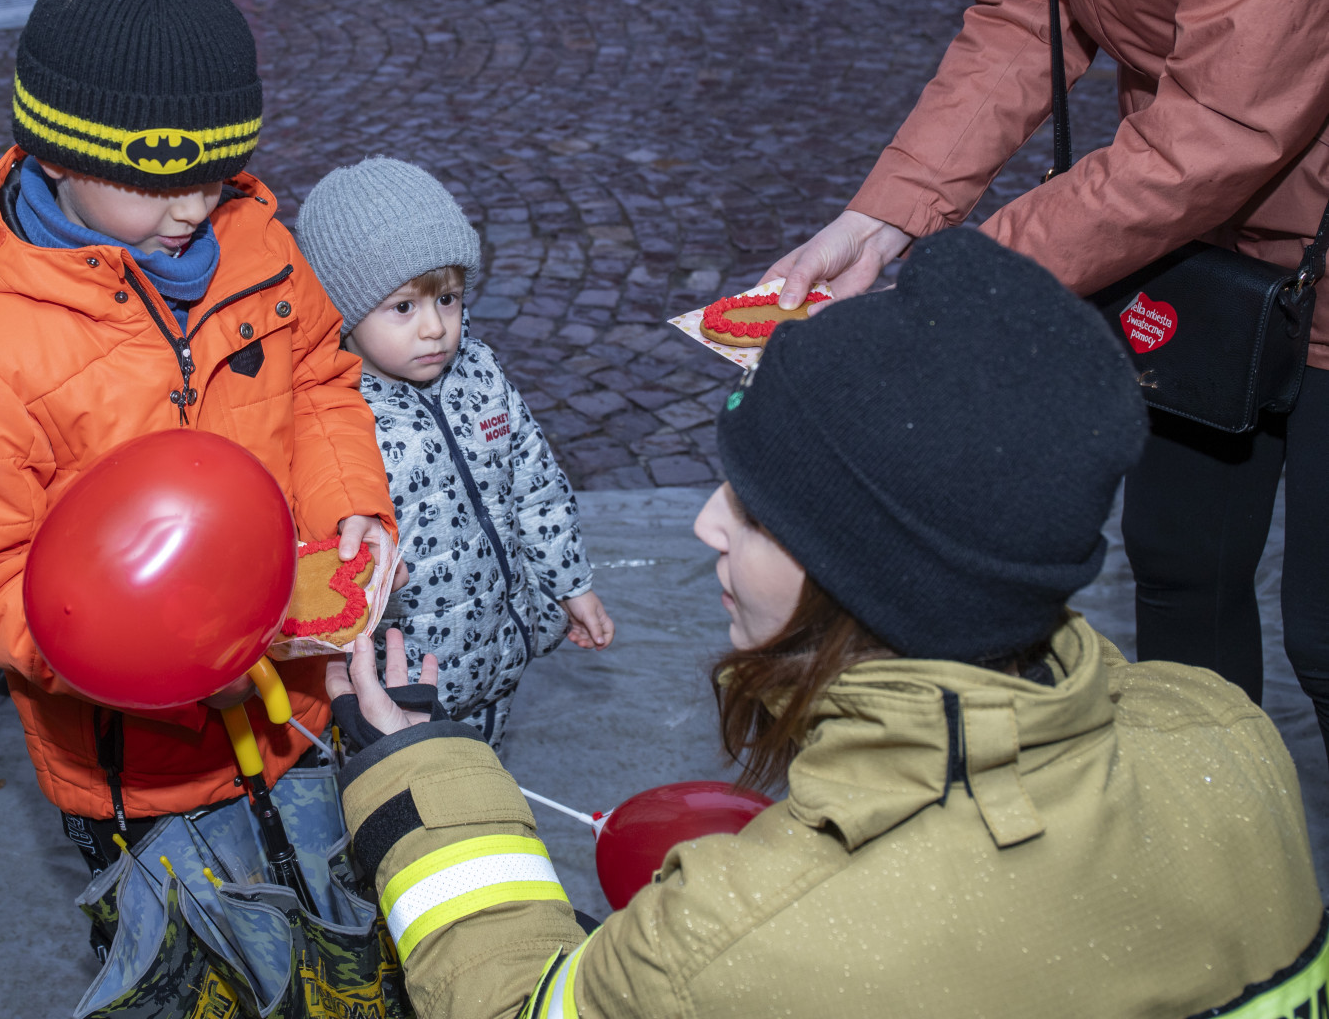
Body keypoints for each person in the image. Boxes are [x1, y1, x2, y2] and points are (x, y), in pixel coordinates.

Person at [324, 229, 1325, 1017]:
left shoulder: (734, 942)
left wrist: (422, 773)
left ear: (862, 575)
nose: (705, 524)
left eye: (756, 513)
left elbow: (519, 1006)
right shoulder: (1225, 738)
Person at [760, 0, 1329, 761]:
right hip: (1191, 246)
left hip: (1242, 215)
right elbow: (1026, 12)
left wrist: (976, 276)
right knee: (1178, 567)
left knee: (1321, 632)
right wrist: (885, 217)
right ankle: (1204, 820)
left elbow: (1217, 127)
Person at [0, 0, 394, 886]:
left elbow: (319, 384)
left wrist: (349, 511)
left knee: (319, 896)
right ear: (60, 154)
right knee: (180, 937)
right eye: (165, 185)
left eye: (218, 176)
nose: (194, 211)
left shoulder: (261, 250)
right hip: (136, 767)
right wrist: (156, 666)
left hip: (292, 706)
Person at [296, 157, 614, 750]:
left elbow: (538, 488)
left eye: (447, 299)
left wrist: (570, 586)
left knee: (484, 769)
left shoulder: (481, 373)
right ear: (344, 312)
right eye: (403, 307)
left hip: (502, 645)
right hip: (407, 685)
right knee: (405, 791)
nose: (435, 329)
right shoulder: (338, 424)